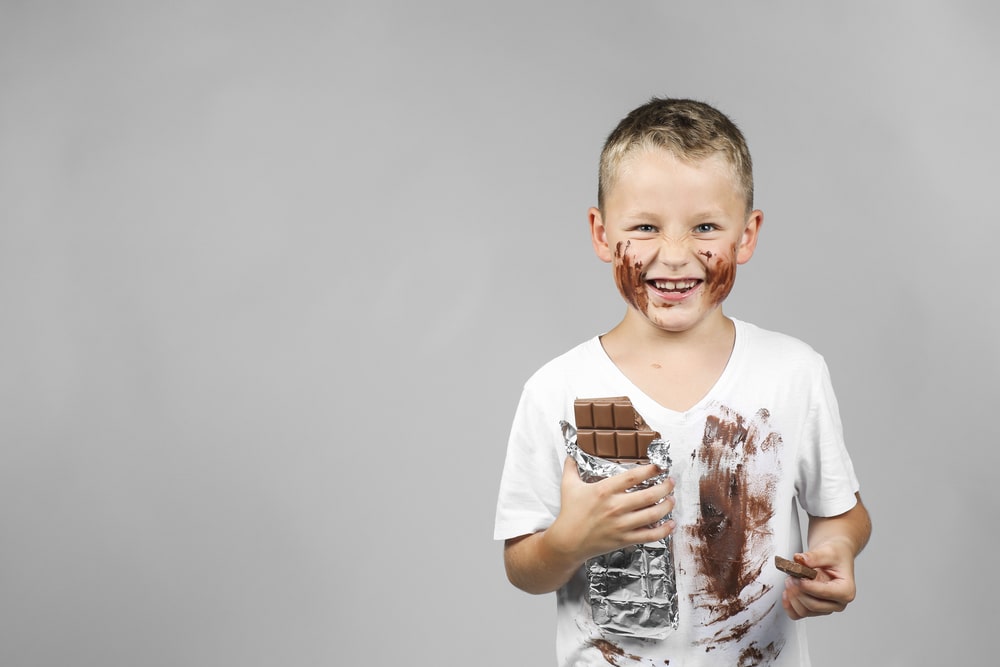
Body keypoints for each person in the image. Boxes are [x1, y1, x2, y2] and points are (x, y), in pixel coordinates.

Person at [493, 97, 872, 666]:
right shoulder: (556, 389)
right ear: (601, 233)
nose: (673, 255)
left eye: (706, 227)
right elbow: (523, 566)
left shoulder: (794, 373)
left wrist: (836, 548)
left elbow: (841, 510)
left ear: (747, 235)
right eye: (644, 226)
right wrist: (569, 541)